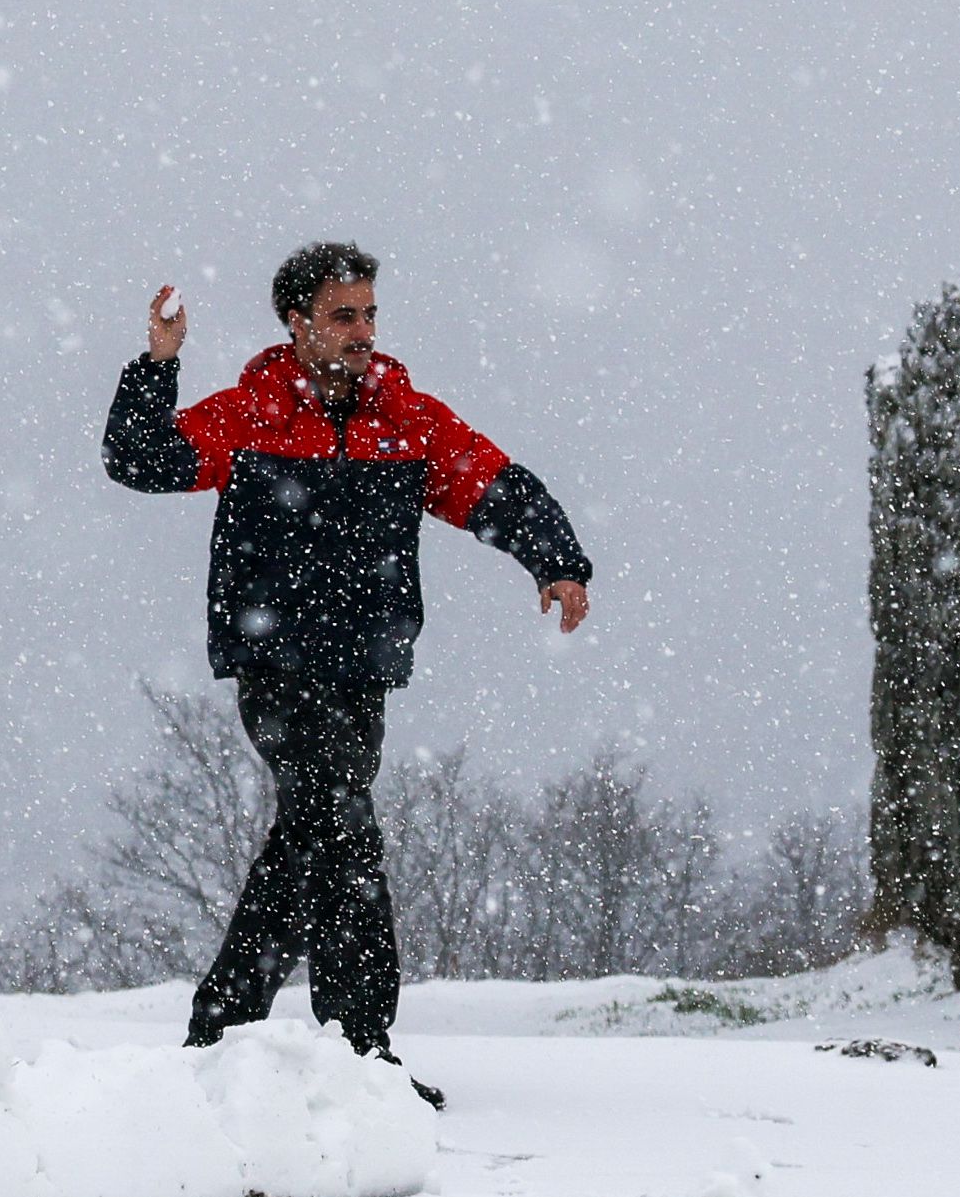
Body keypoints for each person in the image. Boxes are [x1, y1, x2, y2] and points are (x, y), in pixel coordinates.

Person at [102, 241, 592, 1101]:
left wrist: (557, 562)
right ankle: (361, 1055)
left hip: (363, 668)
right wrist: (158, 364)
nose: (363, 330)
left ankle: (221, 1034)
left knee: (312, 838)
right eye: (343, 315)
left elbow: (493, 486)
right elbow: (140, 462)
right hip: (276, 663)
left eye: (369, 312)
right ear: (298, 323)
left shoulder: (407, 420)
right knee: (344, 829)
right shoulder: (251, 416)